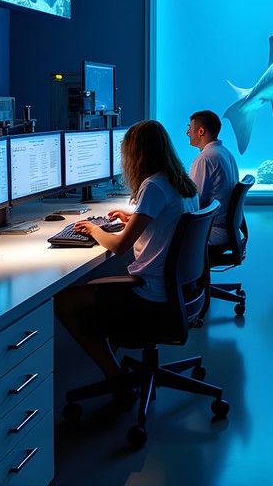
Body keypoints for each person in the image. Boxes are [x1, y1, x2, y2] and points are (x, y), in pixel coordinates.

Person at [54, 120, 202, 385]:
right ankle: (115, 365)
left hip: (151, 295)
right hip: (182, 290)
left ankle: (115, 378)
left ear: (137, 153)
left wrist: (93, 229)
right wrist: (132, 219)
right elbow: (165, 221)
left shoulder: (154, 186)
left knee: (63, 301)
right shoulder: (180, 181)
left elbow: (120, 247)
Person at [187, 109, 239, 247]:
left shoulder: (205, 159)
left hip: (213, 230)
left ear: (201, 131)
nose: (188, 133)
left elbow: (196, 203)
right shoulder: (225, 153)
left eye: (190, 128)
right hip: (226, 229)